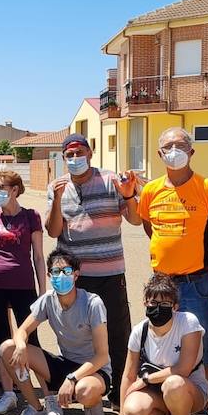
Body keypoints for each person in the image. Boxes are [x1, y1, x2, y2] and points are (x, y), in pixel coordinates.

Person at [137, 127, 208, 415]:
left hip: (197, 282)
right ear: (159, 154)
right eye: (168, 146)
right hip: (161, 283)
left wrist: (205, 250)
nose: (174, 150)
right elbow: (149, 226)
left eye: (180, 145)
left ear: (191, 152)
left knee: (205, 346)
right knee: (162, 346)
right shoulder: (150, 191)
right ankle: (170, 403)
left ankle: (204, 406)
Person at [45, 133, 141, 400]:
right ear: (63, 159)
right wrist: (56, 199)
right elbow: (53, 230)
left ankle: (120, 392)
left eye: (80, 153)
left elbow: (135, 219)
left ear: (90, 153)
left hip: (110, 275)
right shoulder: (57, 186)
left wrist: (129, 194)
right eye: (70, 155)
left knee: (117, 333)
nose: (75, 159)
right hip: (76, 279)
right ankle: (87, 385)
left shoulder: (111, 180)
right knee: (82, 333)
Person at [0, 250, 111, 415]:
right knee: (8, 348)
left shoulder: (93, 303)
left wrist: (72, 379)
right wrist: (20, 345)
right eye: (56, 272)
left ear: (76, 275)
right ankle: (36, 409)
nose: (61, 276)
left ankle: (92, 404)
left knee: (85, 392)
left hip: (94, 370)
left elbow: (102, 356)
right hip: (64, 363)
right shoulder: (48, 300)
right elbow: (22, 329)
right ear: (49, 275)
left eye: (66, 271)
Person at [113, 273, 208, 415]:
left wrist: (147, 379)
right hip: (157, 392)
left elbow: (183, 369)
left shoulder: (188, 323)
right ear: (145, 303)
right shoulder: (139, 331)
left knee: (174, 383)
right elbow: (128, 375)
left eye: (165, 304)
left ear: (175, 306)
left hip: (190, 390)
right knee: (132, 412)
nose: (158, 309)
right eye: (153, 303)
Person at [0, 170, 45, 415]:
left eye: (1, 187)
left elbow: (38, 256)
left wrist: (43, 291)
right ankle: (8, 393)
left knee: (30, 340)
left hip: (23, 285)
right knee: (2, 340)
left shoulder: (31, 216)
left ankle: (47, 395)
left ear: (15, 190)